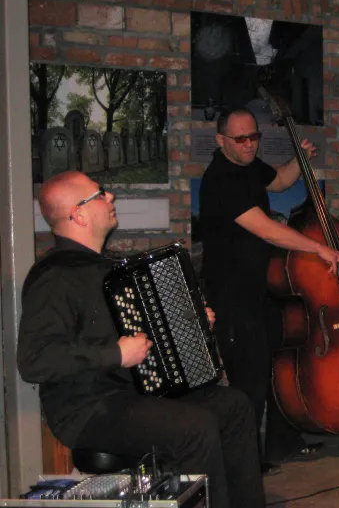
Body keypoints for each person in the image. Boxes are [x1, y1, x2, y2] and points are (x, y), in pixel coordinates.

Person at [17, 172, 264, 508]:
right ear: (78, 214)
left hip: (134, 394)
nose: (110, 198)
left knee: (234, 407)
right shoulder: (55, 279)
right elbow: (34, 360)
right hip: (88, 408)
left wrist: (191, 321)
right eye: (99, 195)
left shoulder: (108, 267)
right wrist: (115, 355)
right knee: (195, 427)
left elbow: (148, 330)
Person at [199, 107, 339, 471]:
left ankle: (281, 443)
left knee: (275, 365)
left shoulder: (249, 166)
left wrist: (300, 159)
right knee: (248, 378)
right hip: (231, 297)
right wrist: (318, 246)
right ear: (220, 141)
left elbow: (279, 181)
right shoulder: (220, 178)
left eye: (254, 137)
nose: (249, 145)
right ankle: (246, 459)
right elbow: (265, 228)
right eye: (240, 139)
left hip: (261, 290)